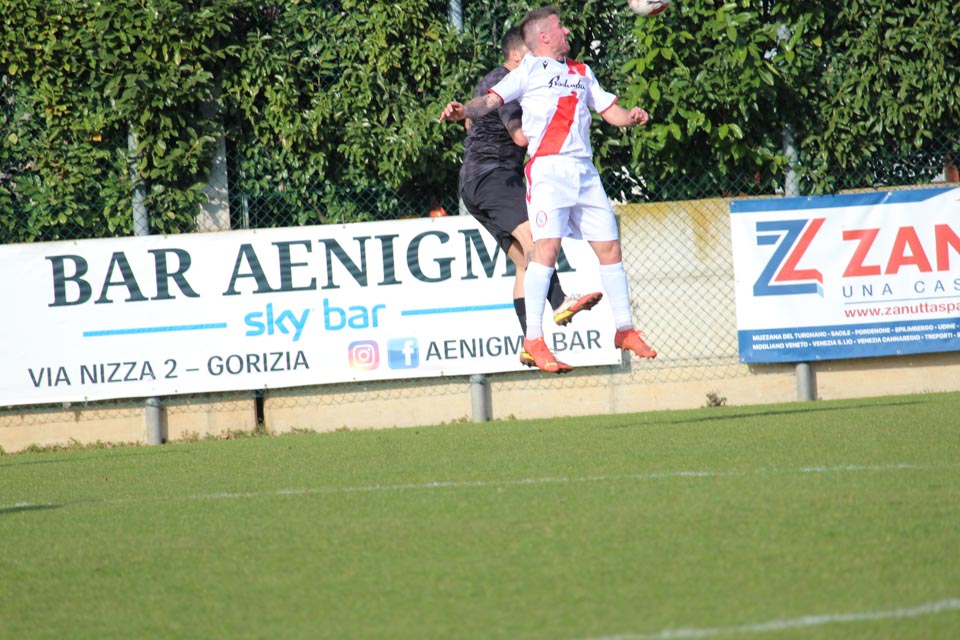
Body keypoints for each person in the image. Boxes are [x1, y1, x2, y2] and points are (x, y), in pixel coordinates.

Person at [439, 5, 657, 374]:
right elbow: (489, 100)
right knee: (545, 250)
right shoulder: (528, 70)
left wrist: (630, 118)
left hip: (584, 172)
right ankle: (534, 339)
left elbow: (610, 112)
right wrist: (463, 112)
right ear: (544, 36)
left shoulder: (582, 72)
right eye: (560, 26)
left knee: (610, 249)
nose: (567, 30)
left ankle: (625, 329)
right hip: (549, 171)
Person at [449, 26, 602, 366]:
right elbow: (520, 137)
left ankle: (529, 343)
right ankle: (561, 302)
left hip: (474, 182)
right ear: (517, 56)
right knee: (536, 241)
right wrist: (558, 137)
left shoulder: (490, 80)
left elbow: (470, 124)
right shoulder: (509, 81)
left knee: (525, 263)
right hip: (495, 178)